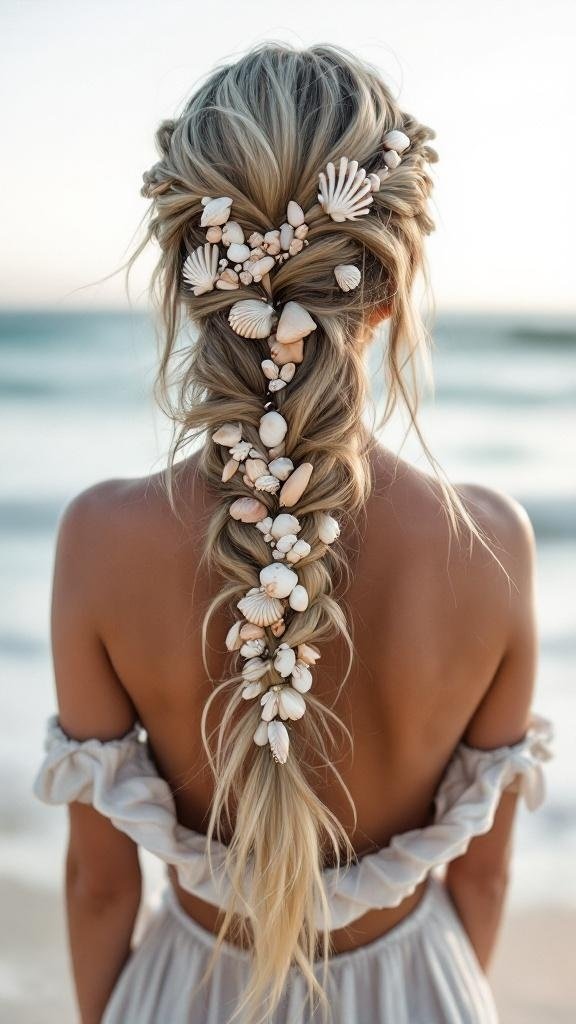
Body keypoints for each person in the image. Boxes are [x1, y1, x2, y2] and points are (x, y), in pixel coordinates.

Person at [34, 42, 552, 1024]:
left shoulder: (100, 541)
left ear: (194, 277)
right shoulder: (494, 546)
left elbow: (100, 888)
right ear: (391, 288)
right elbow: (481, 886)